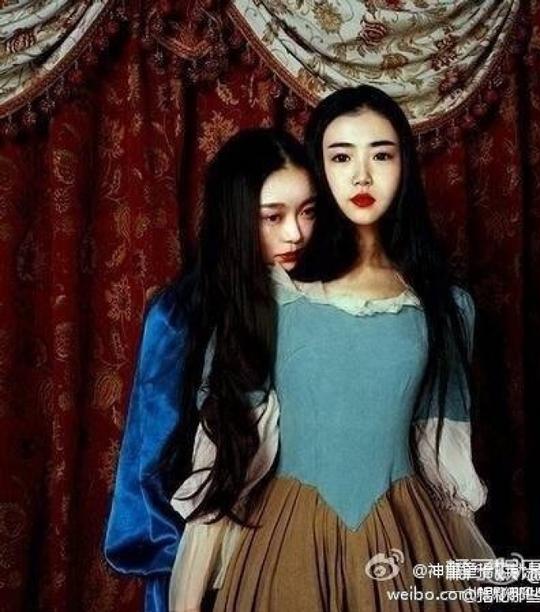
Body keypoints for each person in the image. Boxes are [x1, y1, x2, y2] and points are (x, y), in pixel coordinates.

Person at [170, 85, 495, 611]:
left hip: (406, 537)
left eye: (381, 155)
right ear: (319, 168)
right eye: (342, 157)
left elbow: (447, 463)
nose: (362, 176)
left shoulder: (447, 307)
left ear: (405, 166)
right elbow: (226, 462)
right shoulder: (273, 296)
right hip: (284, 543)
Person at [103, 127, 317, 612]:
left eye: (308, 211)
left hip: (300, 554)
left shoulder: (322, 302)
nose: (295, 233)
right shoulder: (181, 316)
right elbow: (148, 466)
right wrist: (183, 572)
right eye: (273, 216)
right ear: (235, 217)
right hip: (204, 564)